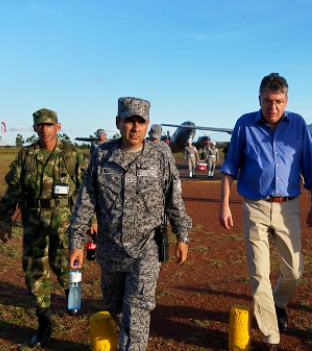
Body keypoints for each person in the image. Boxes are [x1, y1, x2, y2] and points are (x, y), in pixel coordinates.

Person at [66, 97, 192, 351]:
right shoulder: (102, 155)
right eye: (129, 121)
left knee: (136, 310)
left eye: (141, 122)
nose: (135, 127)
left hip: (147, 248)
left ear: (147, 125)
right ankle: (132, 337)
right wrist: (76, 242)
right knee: (115, 305)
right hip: (110, 247)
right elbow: (86, 199)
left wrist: (182, 234)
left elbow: (173, 197)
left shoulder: (160, 155)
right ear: (118, 122)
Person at [219, 73, 312, 350]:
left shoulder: (298, 125)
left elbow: (309, 167)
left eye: (278, 101)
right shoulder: (244, 125)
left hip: (288, 207)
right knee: (259, 273)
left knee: (294, 272)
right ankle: (270, 335)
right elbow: (230, 168)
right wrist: (225, 204)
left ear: (286, 101)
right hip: (255, 207)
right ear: (259, 100)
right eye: (267, 101)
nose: (272, 107)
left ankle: (277, 303)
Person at [0, 108, 89, 347]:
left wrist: (93, 221)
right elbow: (13, 191)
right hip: (33, 226)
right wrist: (5, 219)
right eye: (40, 125)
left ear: (58, 127)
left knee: (64, 267)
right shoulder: (26, 155)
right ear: (34, 128)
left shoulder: (72, 155)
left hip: (64, 225)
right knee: (35, 273)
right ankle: (44, 323)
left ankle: (73, 295)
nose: (44, 129)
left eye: (49, 125)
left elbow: (88, 192)